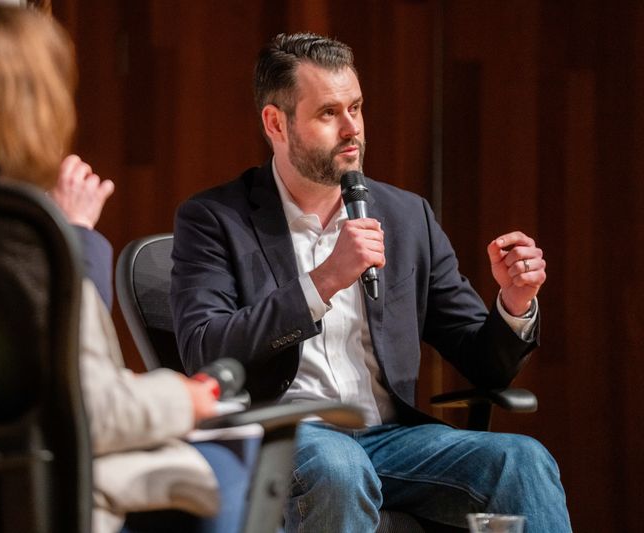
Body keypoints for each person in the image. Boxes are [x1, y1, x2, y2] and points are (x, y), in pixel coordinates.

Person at [0, 3, 248, 532]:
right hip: (20, 502)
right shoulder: (24, 241)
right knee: (226, 470)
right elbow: (92, 413)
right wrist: (182, 396)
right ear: (37, 111)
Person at [170, 32, 572, 532]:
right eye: (328, 113)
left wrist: (514, 305)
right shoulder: (215, 218)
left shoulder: (406, 216)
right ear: (276, 123)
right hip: (284, 436)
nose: (351, 129)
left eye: (356, 109)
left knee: (522, 459)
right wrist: (322, 282)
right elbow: (205, 350)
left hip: (392, 438)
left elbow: (481, 361)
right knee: (338, 465)